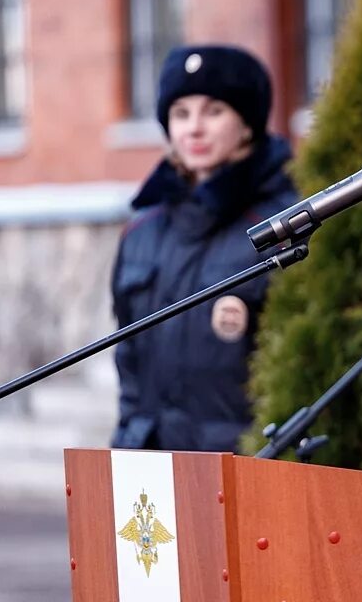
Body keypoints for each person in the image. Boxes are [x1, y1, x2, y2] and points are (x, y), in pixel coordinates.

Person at [110, 44, 297, 453]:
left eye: (213, 111)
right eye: (181, 113)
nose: (194, 128)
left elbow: (297, 362)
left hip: (245, 466)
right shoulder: (142, 231)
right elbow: (130, 365)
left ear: (247, 124)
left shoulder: (284, 226)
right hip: (152, 469)